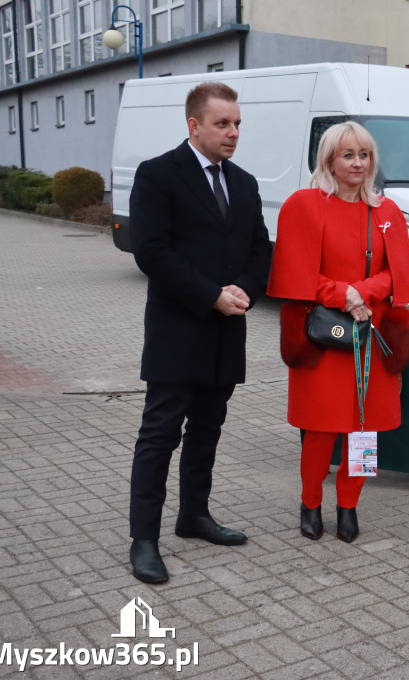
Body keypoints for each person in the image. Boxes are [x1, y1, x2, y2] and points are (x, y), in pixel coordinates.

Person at [127, 82, 272, 584]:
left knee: (208, 429)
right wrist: (210, 294)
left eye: (236, 124)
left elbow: (260, 247)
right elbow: (152, 250)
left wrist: (245, 291)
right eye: (222, 124)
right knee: (160, 434)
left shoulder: (246, 182)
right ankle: (143, 538)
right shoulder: (158, 175)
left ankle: (194, 516)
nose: (233, 133)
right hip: (179, 329)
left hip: (225, 332)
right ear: (194, 126)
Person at [267, 121, 409, 543]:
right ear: (329, 160)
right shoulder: (303, 205)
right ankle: (311, 501)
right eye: (347, 155)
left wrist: (363, 292)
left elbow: (400, 273)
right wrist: (343, 294)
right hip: (325, 336)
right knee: (319, 428)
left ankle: (349, 505)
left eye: (364, 155)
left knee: (363, 429)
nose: (357, 163)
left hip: (372, 333)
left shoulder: (386, 213)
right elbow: (295, 273)